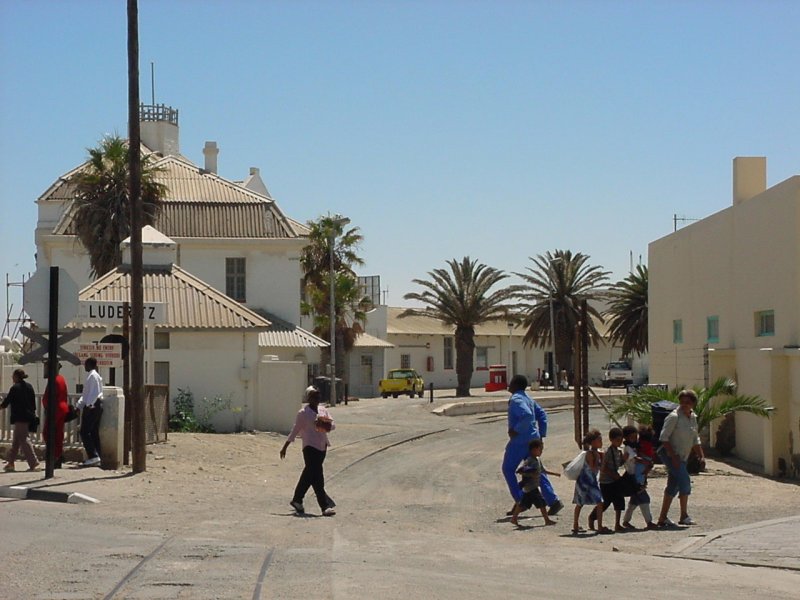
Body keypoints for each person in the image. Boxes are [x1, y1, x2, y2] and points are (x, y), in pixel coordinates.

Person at [502, 375, 564, 517]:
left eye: (511, 382)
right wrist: (541, 435)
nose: (509, 384)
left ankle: (521, 501)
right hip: (533, 439)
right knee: (536, 470)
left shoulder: (516, 399)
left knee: (508, 469)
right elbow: (542, 415)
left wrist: (515, 430)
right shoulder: (529, 399)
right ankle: (553, 501)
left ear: (515, 385)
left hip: (520, 441)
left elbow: (527, 415)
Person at [280, 385, 336, 516]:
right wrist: (285, 446)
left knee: (310, 475)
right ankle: (324, 506)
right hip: (310, 447)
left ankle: (297, 500)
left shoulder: (323, 410)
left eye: (318, 396)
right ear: (308, 398)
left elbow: (333, 425)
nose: (317, 399)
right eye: (314, 397)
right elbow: (295, 430)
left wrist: (325, 424)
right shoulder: (303, 413)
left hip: (322, 446)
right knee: (317, 475)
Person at [656, 389, 705, 527]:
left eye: (687, 402)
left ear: (693, 403)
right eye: (682, 402)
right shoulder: (674, 417)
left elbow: (695, 439)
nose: (684, 405)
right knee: (685, 482)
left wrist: (701, 455)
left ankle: (662, 517)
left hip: (683, 456)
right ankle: (684, 515)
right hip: (671, 454)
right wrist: (673, 456)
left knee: (673, 485)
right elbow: (664, 438)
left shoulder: (693, 417)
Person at [510, 439, 560, 526]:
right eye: (540, 449)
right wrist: (531, 474)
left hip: (530, 488)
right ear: (533, 450)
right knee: (541, 503)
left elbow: (543, 470)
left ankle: (514, 518)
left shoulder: (538, 460)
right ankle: (547, 520)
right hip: (531, 487)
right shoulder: (529, 460)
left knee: (523, 504)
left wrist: (554, 474)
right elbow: (521, 470)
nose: (541, 451)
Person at [1, 369, 40, 472]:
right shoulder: (29, 386)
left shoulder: (15, 388)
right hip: (28, 416)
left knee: (24, 439)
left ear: (16, 376)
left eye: (13, 376)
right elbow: (33, 403)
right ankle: (10, 463)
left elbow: (7, 401)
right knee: (16, 441)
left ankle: (34, 462)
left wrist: (1, 406)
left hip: (19, 416)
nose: (12, 378)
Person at [572, 428, 607, 534]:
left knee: (599, 502)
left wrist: (602, 458)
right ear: (593, 442)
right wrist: (598, 458)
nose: (601, 442)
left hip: (592, 481)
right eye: (599, 440)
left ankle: (599, 526)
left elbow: (601, 469)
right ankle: (576, 525)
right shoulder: (590, 454)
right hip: (585, 481)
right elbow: (593, 467)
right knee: (580, 503)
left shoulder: (598, 453)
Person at [621, 425, 656, 530]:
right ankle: (649, 522)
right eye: (632, 437)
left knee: (634, 501)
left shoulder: (634, 447)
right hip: (633, 478)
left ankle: (626, 521)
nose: (634, 439)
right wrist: (647, 461)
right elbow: (636, 458)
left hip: (636, 477)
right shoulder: (628, 448)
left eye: (635, 437)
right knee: (644, 499)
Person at [591, 427, 626, 532]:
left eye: (621, 440)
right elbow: (603, 467)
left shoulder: (618, 452)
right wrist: (613, 475)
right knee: (605, 503)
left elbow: (618, 464)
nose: (620, 442)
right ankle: (592, 518)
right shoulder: (607, 452)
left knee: (619, 501)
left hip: (615, 480)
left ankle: (617, 524)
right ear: (611, 439)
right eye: (617, 440)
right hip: (606, 481)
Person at [76, 357, 103, 467]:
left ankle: (93, 456)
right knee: (93, 432)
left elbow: (93, 394)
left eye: (86, 364)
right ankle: (98, 456)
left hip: (92, 406)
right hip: (94, 406)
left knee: (84, 431)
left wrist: (89, 406)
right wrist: (79, 406)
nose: (84, 366)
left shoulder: (92, 376)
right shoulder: (93, 376)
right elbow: (85, 395)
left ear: (90, 365)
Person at [42, 361, 69, 468]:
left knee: (47, 433)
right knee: (58, 434)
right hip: (62, 408)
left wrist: (46, 407)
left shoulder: (53, 380)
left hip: (55, 410)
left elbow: (47, 398)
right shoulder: (61, 379)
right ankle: (58, 455)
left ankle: (54, 456)